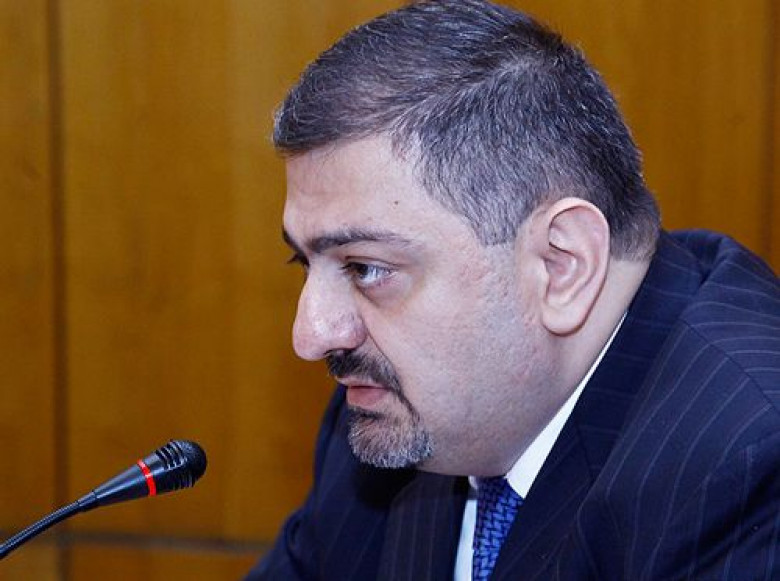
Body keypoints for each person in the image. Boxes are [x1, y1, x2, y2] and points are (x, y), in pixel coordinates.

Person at [246, 1, 780, 579]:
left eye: (365, 268)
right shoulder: (389, 406)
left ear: (562, 265)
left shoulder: (751, 459)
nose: (312, 335)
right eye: (304, 261)